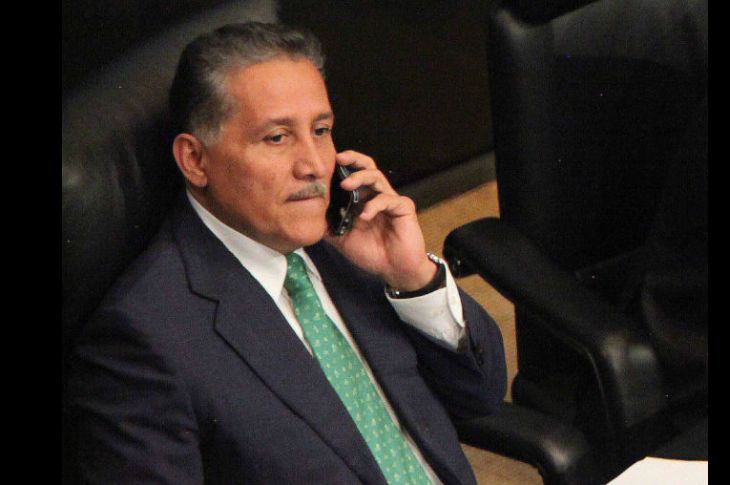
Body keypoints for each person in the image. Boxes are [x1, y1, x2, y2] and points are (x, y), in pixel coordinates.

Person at [67, 21, 506, 485]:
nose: (314, 165)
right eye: (277, 138)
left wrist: (413, 277)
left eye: (321, 130)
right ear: (195, 160)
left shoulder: (352, 243)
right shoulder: (143, 341)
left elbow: (480, 395)